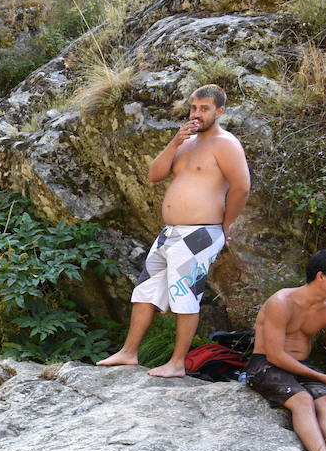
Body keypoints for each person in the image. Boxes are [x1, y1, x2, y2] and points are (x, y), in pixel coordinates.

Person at [97, 84, 251, 376]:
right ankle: (129, 352)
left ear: (220, 111)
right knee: (145, 291)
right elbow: (154, 175)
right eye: (193, 108)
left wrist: (226, 223)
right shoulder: (186, 142)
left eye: (204, 109)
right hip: (170, 232)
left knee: (184, 295)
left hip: (200, 232)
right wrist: (174, 142)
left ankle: (177, 363)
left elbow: (242, 187)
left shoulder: (226, 143)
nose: (196, 114)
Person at [245, 250, 326, 451]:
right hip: (266, 365)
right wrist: (320, 376)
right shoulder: (282, 302)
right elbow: (275, 355)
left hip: (302, 365)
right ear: (321, 276)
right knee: (302, 400)